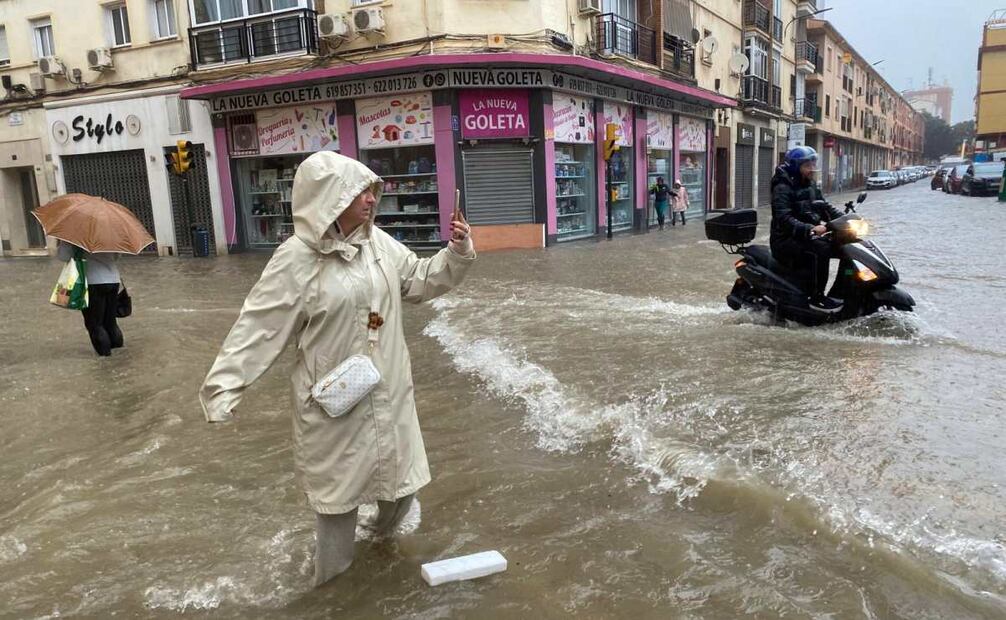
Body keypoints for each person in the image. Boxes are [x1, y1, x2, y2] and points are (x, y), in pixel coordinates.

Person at [198, 151, 476, 587]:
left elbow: (419, 279)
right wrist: (224, 388)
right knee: (337, 507)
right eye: (359, 192)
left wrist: (456, 252)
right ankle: (330, 594)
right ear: (331, 198)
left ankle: (378, 553)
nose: (370, 200)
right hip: (334, 406)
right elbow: (258, 327)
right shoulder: (296, 260)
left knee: (400, 490)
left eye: (371, 191)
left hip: (388, 393)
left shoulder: (378, 245)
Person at [769, 146, 844, 312]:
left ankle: (844, 292)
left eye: (813, 164)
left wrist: (844, 219)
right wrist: (810, 229)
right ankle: (816, 297)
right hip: (784, 240)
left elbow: (824, 206)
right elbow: (783, 218)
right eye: (807, 165)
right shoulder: (782, 187)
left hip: (806, 236)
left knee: (843, 246)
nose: (812, 169)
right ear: (796, 167)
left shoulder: (810, 185)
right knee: (821, 249)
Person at [57, 241, 122, 356]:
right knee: (110, 321)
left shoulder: (74, 235)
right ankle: (120, 355)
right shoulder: (109, 233)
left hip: (92, 281)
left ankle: (105, 360)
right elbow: (117, 256)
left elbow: (63, 256)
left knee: (95, 324)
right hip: (113, 280)